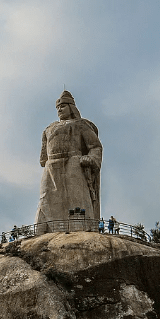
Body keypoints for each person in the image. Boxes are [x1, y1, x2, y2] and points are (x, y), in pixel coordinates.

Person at [35, 91, 103, 231]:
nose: (59, 109)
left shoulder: (80, 124)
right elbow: (43, 159)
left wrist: (90, 158)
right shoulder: (48, 129)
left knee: (76, 199)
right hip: (51, 167)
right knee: (45, 199)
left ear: (71, 107)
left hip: (73, 164)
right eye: (58, 107)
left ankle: (80, 227)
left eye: (63, 106)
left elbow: (95, 146)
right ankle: (43, 229)